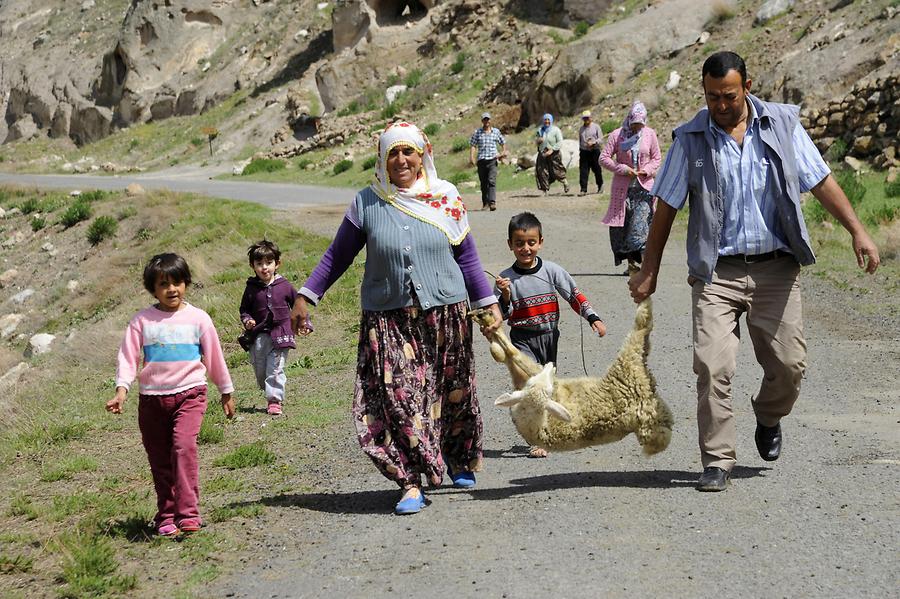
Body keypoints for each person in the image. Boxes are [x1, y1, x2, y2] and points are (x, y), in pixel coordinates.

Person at [628, 51, 880, 492]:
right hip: (717, 272)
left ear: (747, 86)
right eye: (711, 97)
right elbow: (665, 205)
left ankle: (768, 414)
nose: (720, 105)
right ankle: (717, 460)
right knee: (712, 365)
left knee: (789, 365)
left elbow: (819, 180)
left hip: (776, 269)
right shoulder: (691, 139)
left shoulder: (780, 126)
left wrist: (858, 230)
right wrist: (648, 269)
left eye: (727, 95)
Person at [289, 121, 503, 515]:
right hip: (387, 319)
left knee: (448, 390)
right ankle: (409, 481)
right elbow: (338, 256)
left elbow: (467, 257)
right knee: (397, 398)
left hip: (446, 312)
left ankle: (456, 457)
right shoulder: (367, 202)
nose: (401, 160)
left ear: (423, 154)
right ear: (382, 158)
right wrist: (307, 294)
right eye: (393, 152)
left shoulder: (447, 197)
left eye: (408, 151)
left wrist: (487, 303)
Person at [107, 253, 235, 536]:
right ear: (153, 288)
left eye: (177, 282)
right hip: (152, 400)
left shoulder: (199, 318)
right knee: (160, 459)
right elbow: (128, 358)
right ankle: (166, 514)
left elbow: (214, 358)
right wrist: (121, 390)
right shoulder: (141, 321)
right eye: (164, 284)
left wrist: (225, 390)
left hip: (190, 395)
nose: (172, 289)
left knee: (183, 448)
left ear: (186, 283)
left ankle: (188, 512)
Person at [494, 211, 607, 458]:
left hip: (549, 337)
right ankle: (537, 437)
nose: (526, 248)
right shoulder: (506, 280)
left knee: (545, 389)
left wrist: (593, 318)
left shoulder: (552, 272)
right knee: (532, 385)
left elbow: (574, 295)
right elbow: (501, 314)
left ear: (541, 242)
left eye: (531, 242)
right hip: (521, 338)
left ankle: (543, 426)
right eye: (519, 243)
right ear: (510, 245)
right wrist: (504, 296)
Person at [599, 101, 662, 274]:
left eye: (640, 123)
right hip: (622, 190)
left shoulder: (650, 134)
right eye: (634, 122)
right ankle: (631, 264)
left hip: (644, 189)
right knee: (622, 228)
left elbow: (656, 158)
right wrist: (622, 169)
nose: (637, 127)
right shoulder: (617, 135)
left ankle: (642, 265)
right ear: (629, 119)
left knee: (639, 226)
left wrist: (647, 170)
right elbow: (604, 158)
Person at [239, 239, 299, 416]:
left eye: (269, 263)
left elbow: (298, 305)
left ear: (277, 264)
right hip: (258, 336)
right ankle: (267, 388)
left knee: (275, 368)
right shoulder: (251, 289)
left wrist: (304, 323)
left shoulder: (285, 286)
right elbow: (244, 309)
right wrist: (247, 320)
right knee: (261, 370)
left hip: (281, 334)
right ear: (252, 266)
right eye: (259, 264)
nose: (264, 267)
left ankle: (274, 400)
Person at [469, 111, 507, 211]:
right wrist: (472, 157)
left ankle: (492, 203)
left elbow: (503, 142)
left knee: (491, 181)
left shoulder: (496, 132)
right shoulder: (477, 133)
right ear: (482, 121)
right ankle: (485, 203)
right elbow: (473, 145)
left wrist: (503, 152)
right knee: (483, 183)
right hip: (481, 160)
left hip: (492, 160)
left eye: (488, 119)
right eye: (484, 119)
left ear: (490, 120)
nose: (486, 121)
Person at [534, 113, 569, 195]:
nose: (546, 122)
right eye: (545, 120)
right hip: (542, 153)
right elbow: (536, 141)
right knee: (541, 171)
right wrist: (538, 141)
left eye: (548, 120)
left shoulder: (555, 130)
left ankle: (565, 183)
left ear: (551, 120)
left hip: (554, 153)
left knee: (556, 170)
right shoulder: (540, 130)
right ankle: (544, 190)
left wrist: (552, 150)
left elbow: (560, 142)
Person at [578, 110, 604, 196]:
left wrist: (594, 142)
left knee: (597, 169)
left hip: (595, 151)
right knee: (583, 171)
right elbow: (580, 141)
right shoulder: (581, 129)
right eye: (584, 118)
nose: (586, 120)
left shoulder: (596, 127)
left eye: (587, 118)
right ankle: (583, 189)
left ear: (591, 118)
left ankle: (600, 185)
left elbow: (601, 139)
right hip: (584, 152)